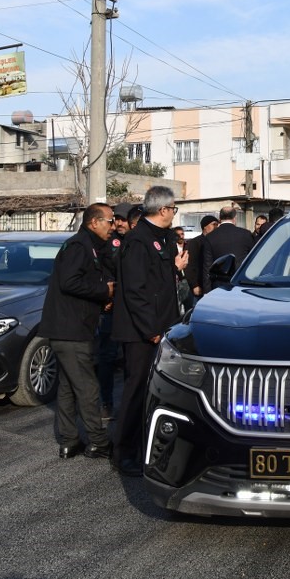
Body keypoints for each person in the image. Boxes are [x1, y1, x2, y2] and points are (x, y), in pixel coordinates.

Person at [112, 186, 188, 476]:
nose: (173, 214)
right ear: (164, 209)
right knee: (135, 392)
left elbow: (160, 282)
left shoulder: (163, 237)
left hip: (163, 326)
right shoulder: (138, 241)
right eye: (173, 209)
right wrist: (151, 330)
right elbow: (135, 291)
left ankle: (147, 447)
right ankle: (123, 453)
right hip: (141, 331)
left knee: (156, 393)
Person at [41, 202, 115, 460]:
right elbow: (70, 282)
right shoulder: (79, 246)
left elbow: (80, 284)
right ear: (94, 222)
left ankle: (69, 441)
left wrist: (101, 298)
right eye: (109, 221)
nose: (113, 226)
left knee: (68, 387)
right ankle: (98, 441)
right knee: (87, 387)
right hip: (70, 329)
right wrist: (104, 291)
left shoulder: (89, 245)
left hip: (72, 327)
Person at [95, 202, 134, 417]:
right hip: (110, 307)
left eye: (123, 219)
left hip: (132, 309)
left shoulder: (138, 241)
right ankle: (106, 402)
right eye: (116, 219)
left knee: (132, 359)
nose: (119, 223)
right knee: (107, 356)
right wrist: (106, 295)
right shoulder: (107, 242)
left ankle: (131, 405)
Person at [200, 204, 256, 293]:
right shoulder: (246, 234)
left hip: (219, 286)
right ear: (235, 218)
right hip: (241, 283)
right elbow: (254, 259)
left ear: (219, 218)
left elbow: (207, 267)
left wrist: (207, 292)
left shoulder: (210, 237)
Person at [184, 215, 219, 304]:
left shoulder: (216, 241)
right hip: (200, 288)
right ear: (205, 227)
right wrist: (194, 285)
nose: (216, 227)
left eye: (217, 224)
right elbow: (189, 265)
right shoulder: (194, 243)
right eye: (214, 224)